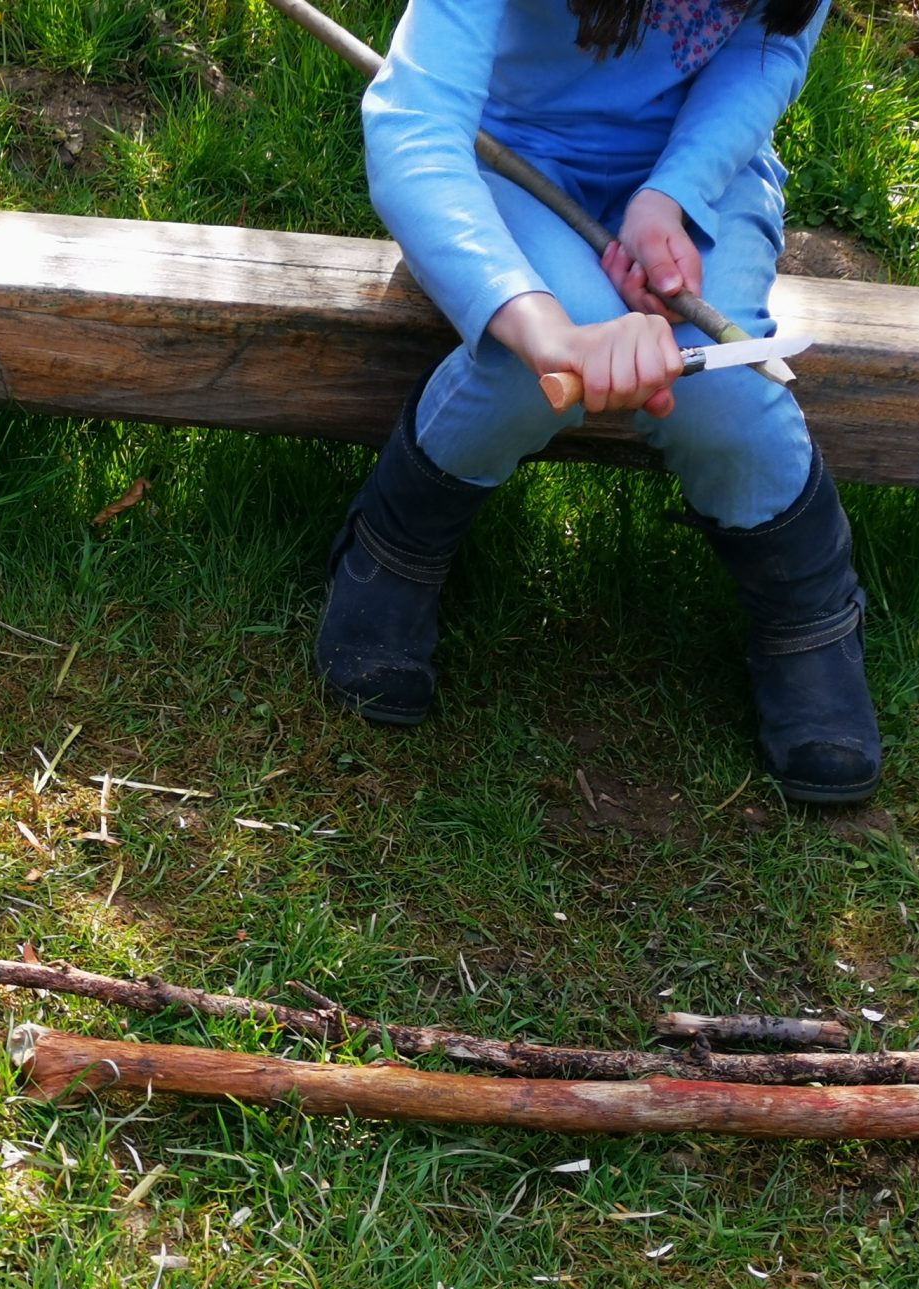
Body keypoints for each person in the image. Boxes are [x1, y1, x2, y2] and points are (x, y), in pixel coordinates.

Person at [317, 0, 879, 807]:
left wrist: (673, 193)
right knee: (532, 366)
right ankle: (395, 547)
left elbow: (767, 51)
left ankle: (809, 614)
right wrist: (540, 323)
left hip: (701, 171)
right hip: (507, 157)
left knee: (725, 390)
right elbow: (418, 125)